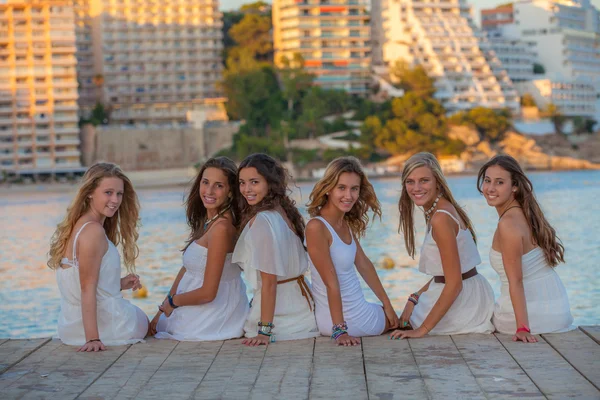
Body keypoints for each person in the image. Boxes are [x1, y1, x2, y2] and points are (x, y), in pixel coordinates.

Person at [390, 152, 494, 339]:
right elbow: (448, 273)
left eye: (424, 180)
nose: (416, 188)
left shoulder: (441, 218)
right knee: (393, 319)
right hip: (471, 292)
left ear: (437, 182)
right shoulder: (441, 209)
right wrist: (414, 298)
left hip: (463, 303)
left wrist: (422, 330)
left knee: (387, 321)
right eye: (410, 181)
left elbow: (454, 284)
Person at [48, 162, 148, 351]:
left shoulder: (78, 227)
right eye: (108, 192)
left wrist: (118, 283)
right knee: (155, 321)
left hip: (70, 328)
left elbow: (81, 282)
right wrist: (92, 339)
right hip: (105, 328)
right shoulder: (92, 231)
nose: (115, 200)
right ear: (90, 192)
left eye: (119, 194)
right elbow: (86, 288)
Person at [150, 157, 249, 341]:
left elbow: (208, 293)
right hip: (193, 307)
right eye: (205, 182)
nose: (209, 191)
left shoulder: (221, 229)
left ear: (230, 191)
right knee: (146, 325)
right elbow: (186, 269)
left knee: (135, 325)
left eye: (218, 185)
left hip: (212, 316)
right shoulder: (210, 221)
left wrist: (173, 303)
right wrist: (164, 308)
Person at [477, 155, 574, 341]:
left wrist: (522, 328)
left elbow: (516, 280)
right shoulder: (525, 213)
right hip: (557, 310)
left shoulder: (508, 224)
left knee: (473, 316)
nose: (490, 188)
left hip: (534, 316)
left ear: (514, 186)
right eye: (487, 181)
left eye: (499, 182)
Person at [305, 157, 398, 346]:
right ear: (328, 188)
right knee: (410, 319)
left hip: (354, 313)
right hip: (345, 320)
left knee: (402, 316)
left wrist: (387, 304)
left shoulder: (343, 223)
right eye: (342, 188)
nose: (349, 195)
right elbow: (331, 283)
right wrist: (340, 331)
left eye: (354, 189)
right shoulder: (317, 227)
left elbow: (364, 265)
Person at [233, 153, 319, 346]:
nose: (246, 189)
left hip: (282, 319)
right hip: (305, 309)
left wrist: (264, 331)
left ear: (270, 183)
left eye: (254, 182)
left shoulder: (263, 220)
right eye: (242, 183)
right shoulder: (285, 213)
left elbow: (269, 281)